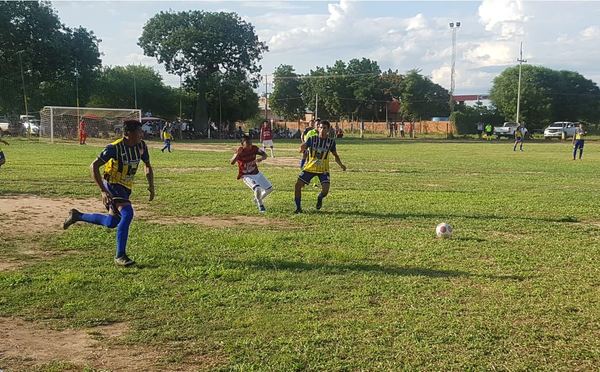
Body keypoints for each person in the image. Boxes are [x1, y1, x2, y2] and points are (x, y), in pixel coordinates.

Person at [63, 120, 155, 267]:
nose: (141, 134)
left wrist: (151, 185)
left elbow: (148, 165)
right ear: (127, 134)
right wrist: (103, 191)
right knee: (127, 213)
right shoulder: (114, 148)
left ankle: (77, 215)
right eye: (138, 131)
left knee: (112, 223)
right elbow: (94, 166)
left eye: (141, 131)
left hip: (125, 188)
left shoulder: (141, 146)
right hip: (112, 185)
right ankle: (120, 255)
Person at [294, 120, 346, 213]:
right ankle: (298, 208)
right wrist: (301, 148)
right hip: (310, 168)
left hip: (323, 170)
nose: (322, 130)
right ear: (318, 128)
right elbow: (302, 148)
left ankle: (320, 197)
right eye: (320, 127)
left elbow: (335, 155)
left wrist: (341, 165)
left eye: (324, 128)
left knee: (325, 191)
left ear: (328, 129)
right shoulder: (312, 139)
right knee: (297, 185)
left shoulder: (331, 142)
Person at [230, 134, 273, 213]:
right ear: (242, 145)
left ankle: (257, 199)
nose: (250, 146)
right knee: (257, 188)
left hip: (256, 173)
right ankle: (260, 205)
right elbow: (232, 162)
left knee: (269, 189)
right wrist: (237, 154)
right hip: (246, 175)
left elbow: (265, 155)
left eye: (250, 143)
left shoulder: (254, 148)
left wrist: (261, 158)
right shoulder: (240, 151)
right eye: (247, 144)